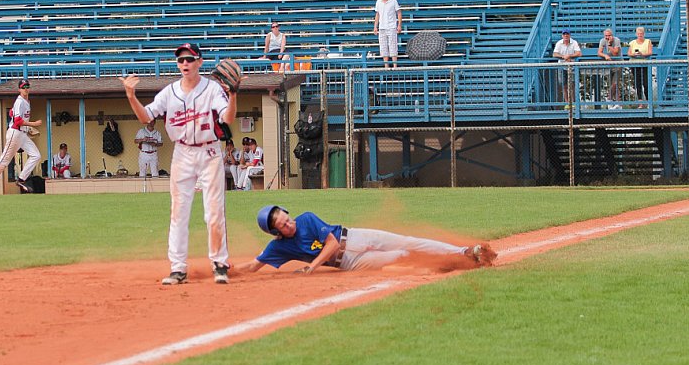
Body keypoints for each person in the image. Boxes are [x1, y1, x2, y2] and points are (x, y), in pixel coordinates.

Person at [119, 42, 237, 285]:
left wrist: (234, 95)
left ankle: (219, 263)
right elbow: (146, 116)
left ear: (199, 62)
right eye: (181, 60)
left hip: (210, 152)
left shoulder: (213, 89)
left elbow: (227, 118)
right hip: (182, 153)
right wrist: (131, 96)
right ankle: (178, 268)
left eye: (190, 59)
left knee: (213, 212)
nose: (185, 63)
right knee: (178, 212)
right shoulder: (168, 92)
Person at [236, 205, 497, 274]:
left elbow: (332, 244)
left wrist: (312, 267)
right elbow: (255, 265)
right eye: (282, 224)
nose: (288, 222)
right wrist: (227, 271)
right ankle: (454, 263)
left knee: (408, 241)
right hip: (349, 264)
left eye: (285, 217)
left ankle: (464, 252)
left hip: (355, 238)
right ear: (277, 232)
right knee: (404, 256)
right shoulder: (279, 247)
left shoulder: (306, 219)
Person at [0, 79, 42, 195]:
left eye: (27, 86)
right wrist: (32, 124)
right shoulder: (19, 101)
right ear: (19, 89)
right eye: (23, 87)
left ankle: (21, 179)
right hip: (15, 133)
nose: (26, 89)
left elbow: (12, 114)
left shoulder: (26, 101)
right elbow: (17, 121)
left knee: (36, 155)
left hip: (22, 134)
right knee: (5, 160)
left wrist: (28, 128)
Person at [373, 0, 402, 69]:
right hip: (382, 27)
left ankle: (395, 66)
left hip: (391, 26)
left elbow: (399, 12)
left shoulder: (393, 1)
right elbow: (377, 14)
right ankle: (386, 66)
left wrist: (399, 25)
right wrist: (375, 26)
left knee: (393, 46)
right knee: (383, 47)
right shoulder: (378, 1)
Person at [552, 29, 582, 109]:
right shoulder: (559, 43)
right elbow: (554, 54)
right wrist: (563, 57)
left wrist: (569, 56)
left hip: (572, 66)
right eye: (564, 34)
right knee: (564, 85)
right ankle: (567, 103)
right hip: (562, 66)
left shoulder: (574, 42)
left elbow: (579, 53)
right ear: (562, 35)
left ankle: (574, 102)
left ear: (570, 35)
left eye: (567, 34)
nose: (566, 36)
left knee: (573, 85)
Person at [627, 26, 653, 108]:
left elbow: (650, 52)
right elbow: (629, 53)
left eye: (641, 34)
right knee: (637, 84)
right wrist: (634, 54)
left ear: (644, 34)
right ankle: (640, 103)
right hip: (635, 64)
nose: (640, 35)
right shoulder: (633, 42)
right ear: (636, 34)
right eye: (638, 34)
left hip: (645, 64)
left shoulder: (648, 41)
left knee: (646, 83)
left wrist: (642, 54)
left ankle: (649, 102)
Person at [597, 28, 622, 109]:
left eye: (609, 35)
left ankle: (609, 99)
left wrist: (610, 45)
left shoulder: (616, 40)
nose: (607, 37)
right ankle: (618, 103)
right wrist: (605, 55)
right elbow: (599, 52)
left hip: (618, 64)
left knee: (615, 83)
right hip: (609, 65)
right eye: (606, 36)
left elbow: (615, 53)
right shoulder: (602, 41)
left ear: (612, 35)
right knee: (613, 84)